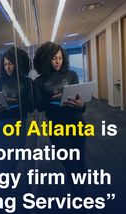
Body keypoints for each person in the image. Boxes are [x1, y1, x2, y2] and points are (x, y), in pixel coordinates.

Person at [34, 41, 86, 194]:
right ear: (45, 59)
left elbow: (81, 106)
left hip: (77, 123)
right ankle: (78, 192)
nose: (58, 62)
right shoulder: (39, 81)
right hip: (56, 127)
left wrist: (81, 105)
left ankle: (81, 195)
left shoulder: (72, 75)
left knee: (80, 162)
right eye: (53, 58)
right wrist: (54, 99)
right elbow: (39, 107)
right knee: (69, 163)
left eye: (60, 58)